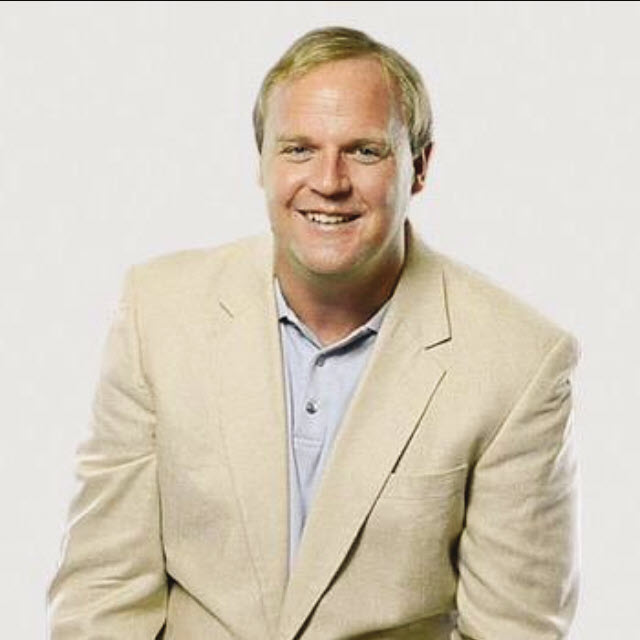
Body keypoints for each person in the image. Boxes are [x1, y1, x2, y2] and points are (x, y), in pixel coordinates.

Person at [48, 26, 581, 640]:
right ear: (262, 164)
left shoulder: (517, 361)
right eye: (299, 149)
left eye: (364, 151)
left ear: (420, 167)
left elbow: (513, 631)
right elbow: (102, 592)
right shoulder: (157, 313)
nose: (328, 180)